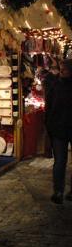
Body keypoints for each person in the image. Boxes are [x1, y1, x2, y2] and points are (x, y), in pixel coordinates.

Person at [43, 59, 72, 204]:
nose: (62, 71)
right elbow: (49, 107)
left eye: (65, 69)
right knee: (60, 161)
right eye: (61, 69)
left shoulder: (57, 86)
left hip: (62, 127)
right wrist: (49, 126)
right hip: (59, 129)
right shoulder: (55, 86)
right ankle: (58, 191)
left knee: (61, 161)